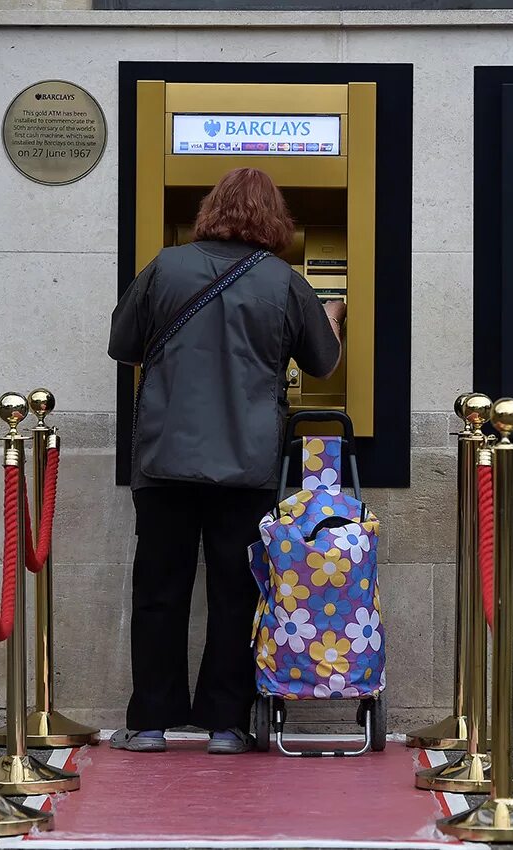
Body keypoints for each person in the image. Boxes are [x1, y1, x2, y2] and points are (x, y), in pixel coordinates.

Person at [107, 167, 345, 754]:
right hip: (247, 465)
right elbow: (322, 365)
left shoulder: (164, 266)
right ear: (277, 220)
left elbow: (122, 344)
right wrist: (333, 321)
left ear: (211, 210)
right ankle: (225, 725)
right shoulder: (286, 282)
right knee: (237, 593)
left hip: (164, 462)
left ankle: (151, 723)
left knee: (159, 589)